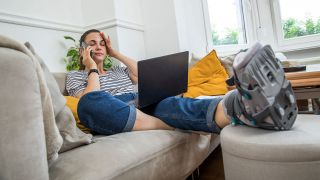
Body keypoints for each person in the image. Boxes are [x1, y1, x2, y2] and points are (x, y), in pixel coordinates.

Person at [66, 29, 298, 135]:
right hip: (115, 106)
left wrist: (114, 53)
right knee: (90, 105)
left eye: (101, 43)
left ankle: (245, 107)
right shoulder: (77, 75)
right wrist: (92, 68)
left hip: (142, 102)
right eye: (92, 43)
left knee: (169, 103)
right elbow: (88, 98)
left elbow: (143, 77)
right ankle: (169, 125)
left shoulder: (118, 67)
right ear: (82, 50)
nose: (98, 46)